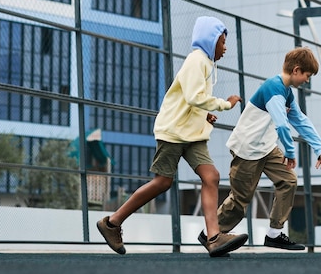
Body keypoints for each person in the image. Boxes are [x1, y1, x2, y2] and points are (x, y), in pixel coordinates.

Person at [97, 16, 248, 257]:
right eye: (222, 41)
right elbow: (192, 96)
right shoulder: (196, 61)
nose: (225, 47)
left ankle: (214, 238)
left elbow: (193, 99)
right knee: (162, 182)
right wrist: (224, 105)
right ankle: (112, 223)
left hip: (192, 134)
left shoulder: (207, 63)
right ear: (210, 41)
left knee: (211, 176)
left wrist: (204, 114)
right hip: (174, 131)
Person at [198, 46, 321, 251]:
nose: (307, 80)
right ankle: (209, 234)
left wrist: (319, 148)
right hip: (246, 149)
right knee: (240, 201)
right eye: (307, 75)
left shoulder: (286, 92)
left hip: (266, 148)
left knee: (288, 181)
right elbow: (281, 123)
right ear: (296, 70)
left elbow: (299, 120)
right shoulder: (273, 88)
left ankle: (274, 234)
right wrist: (291, 153)